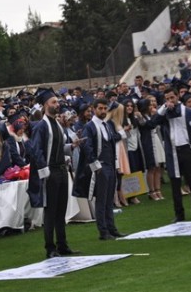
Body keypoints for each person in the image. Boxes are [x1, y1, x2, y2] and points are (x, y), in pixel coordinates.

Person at [27, 87, 82, 259]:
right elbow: (36, 150)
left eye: (57, 102)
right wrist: (45, 171)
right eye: (53, 102)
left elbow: (57, 147)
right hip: (51, 171)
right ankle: (50, 247)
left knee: (61, 209)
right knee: (50, 211)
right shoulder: (41, 126)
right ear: (45, 105)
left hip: (61, 169)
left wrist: (71, 147)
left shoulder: (57, 124)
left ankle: (62, 245)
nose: (57, 104)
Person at [74, 99, 126, 240]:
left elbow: (110, 141)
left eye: (105, 108)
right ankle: (103, 231)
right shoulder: (90, 126)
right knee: (101, 200)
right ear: (94, 109)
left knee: (109, 199)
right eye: (100, 108)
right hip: (101, 166)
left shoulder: (107, 124)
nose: (103, 111)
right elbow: (87, 146)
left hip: (110, 164)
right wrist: (95, 165)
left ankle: (112, 228)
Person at [152, 87, 191, 222]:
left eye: (172, 98)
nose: (170, 101)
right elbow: (152, 122)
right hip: (173, 151)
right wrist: (164, 108)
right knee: (175, 185)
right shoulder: (164, 113)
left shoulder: (188, 112)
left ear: (177, 97)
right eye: (167, 98)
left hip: (187, 150)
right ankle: (179, 214)